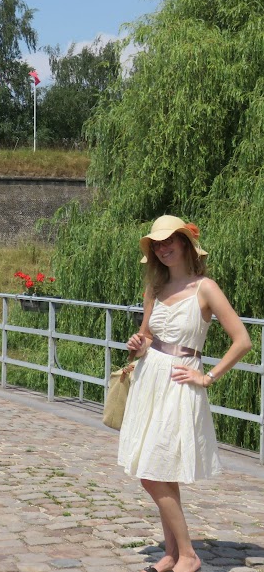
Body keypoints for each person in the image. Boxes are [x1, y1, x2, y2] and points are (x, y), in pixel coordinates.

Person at [119, 215, 251, 572]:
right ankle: (172, 554)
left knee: (154, 470)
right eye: (157, 245)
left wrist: (207, 377)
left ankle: (189, 555)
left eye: (169, 241)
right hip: (150, 380)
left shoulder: (205, 287)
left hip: (180, 383)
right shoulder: (155, 290)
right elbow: (146, 339)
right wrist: (138, 344)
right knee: (159, 468)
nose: (163, 249)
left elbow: (243, 341)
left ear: (186, 244)